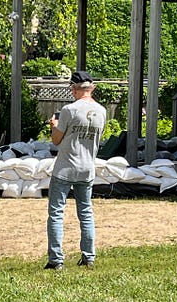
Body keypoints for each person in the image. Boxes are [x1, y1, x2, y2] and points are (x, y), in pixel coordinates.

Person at [45, 71, 106, 270]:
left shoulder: (69, 110)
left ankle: (56, 260)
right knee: (86, 212)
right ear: (92, 88)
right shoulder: (102, 111)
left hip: (66, 167)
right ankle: (89, 257)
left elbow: (56, 140)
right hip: (87, 168)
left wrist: (54, 126)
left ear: (73, 88)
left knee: (56, 213)